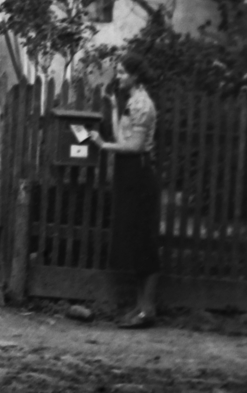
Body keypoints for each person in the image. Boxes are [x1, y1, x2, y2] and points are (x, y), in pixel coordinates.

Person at [90, 50, 160, 328]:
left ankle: (148, 309)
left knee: (145, 242)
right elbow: (125, 137)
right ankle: (140, 307)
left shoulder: (143, 104)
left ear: (135, 76)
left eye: (121, 72)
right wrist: (115, 109)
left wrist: (102, 145)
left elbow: (134, 146)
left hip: (139, 175)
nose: (117, 77)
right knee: (133, 241)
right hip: (128, 174)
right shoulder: (132, 101)